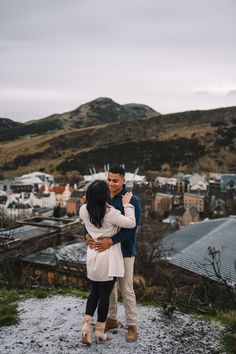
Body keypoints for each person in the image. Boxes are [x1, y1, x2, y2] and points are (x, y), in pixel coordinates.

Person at [86, 166, 141, 342]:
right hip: (106, 253)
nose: (111, 183)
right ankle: (111, 319)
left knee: (126, 288)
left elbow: (132, 229)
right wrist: (85, 235)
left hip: (124, 251)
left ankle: (132, 326)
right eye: (109, 180)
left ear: (124, 180)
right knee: (108, 290)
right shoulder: (101, 196)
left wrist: (112, 240)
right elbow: (90, 218)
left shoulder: (131, 200)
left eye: (115, 180)